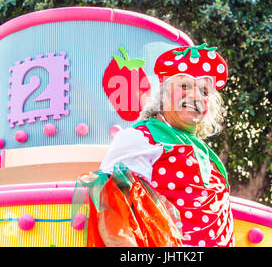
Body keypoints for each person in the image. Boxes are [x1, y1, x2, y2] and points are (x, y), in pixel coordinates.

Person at [82, 43, 234, 247]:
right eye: (183, 86)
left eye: (205, 91)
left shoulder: (205, 153)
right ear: (162, 95)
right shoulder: (142, 138)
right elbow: (110, 204)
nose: (196, 96)